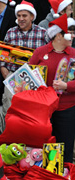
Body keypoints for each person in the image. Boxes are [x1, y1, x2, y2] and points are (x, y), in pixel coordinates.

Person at [29, 14, 75, 163]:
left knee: (65, 144)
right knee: (44, 143)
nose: (73, 36)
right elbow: (28, 76)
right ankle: (45, 174)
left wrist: (66, 86)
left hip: (66, 107)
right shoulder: (40, 52)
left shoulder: (74, 54)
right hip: (43, 108)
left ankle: (64, 176)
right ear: (58, 36)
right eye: (70, 33)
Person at [0, 0, 49, 115]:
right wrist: (4, 69)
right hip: (13, 74)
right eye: (19, 15)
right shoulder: (11, 32)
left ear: (32, 16)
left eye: (24, 16)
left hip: (34, 77)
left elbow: (49, 53)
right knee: (10, 107)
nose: (21, 18)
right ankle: (11, 131)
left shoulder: (43, 33)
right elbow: (2, 54)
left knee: (32, 109)